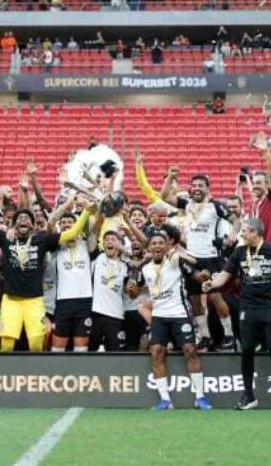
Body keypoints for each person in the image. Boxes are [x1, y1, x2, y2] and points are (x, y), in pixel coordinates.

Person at [0, 183, 94, 352]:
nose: (23, 220)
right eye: (19, 218)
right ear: (14, 224)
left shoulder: (42, 239)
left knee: (37, 342)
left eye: (27, 218)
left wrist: (86, 211)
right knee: (7, 343)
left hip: (34, 300)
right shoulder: (5, 238)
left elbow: (72, 233)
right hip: (11, 300)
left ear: (33, 225)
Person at [204, 218, 271, 411]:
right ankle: (249, 395)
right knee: (246, 349)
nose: (242, 234)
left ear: (256, 233)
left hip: (270, 306)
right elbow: (224, 275)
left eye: (245, 231)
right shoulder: (239, 252)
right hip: (248, 306)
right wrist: (211, 284)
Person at [128, 231, 212, 410]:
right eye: (154, 243)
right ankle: (165, 400)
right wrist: (131, 289)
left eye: (161, 243)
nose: (157, 246)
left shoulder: (177, 262)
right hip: (159, 315)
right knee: (156, 352)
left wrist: (204, 275)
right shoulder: (144, 268)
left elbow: (196, 276)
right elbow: (134, 293)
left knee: (190, 350)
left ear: (167, 246)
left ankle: (200, 397)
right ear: (149, 248)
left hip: (179, 313)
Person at [161, 173, 235, 351]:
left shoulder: (216, 206)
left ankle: (229, 335)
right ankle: (205, 337)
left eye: (201, 185)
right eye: (194, 185)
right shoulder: (187, 205)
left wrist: (232, 236)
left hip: (211, 258)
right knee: (194, 299)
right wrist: (170, 177)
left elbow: (236, 221)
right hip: (191, 258)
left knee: (215, 297)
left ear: (208, 188)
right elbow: (165, 197)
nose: (197, 188)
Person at [52, 210, 100, 353]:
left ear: (77, 225)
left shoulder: (86, 244)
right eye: (63, 223)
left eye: (70, 222)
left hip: (84, 301)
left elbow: (93, 230)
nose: (67, 225)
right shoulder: (56, 246)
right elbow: (50, 222)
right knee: (57, 348)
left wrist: (90, 210)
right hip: (62, 301)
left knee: (81, 348)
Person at [89, 231, 129, 352]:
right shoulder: (97, 258)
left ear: (120, 244)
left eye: (113, 239)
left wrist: (124, 250)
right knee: (91, 352)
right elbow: (92, 234)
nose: (109, 242)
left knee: (116, 354)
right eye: (106, 240)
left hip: (116, 315)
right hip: (95, 313)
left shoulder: (125, 266)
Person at [247, 132, 271, 244]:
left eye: (258, 183)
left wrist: (266, 152)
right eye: (254, 183)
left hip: (269, 248)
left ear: (267, 185)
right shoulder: (253, 205)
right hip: (253, 248)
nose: (255, 185)